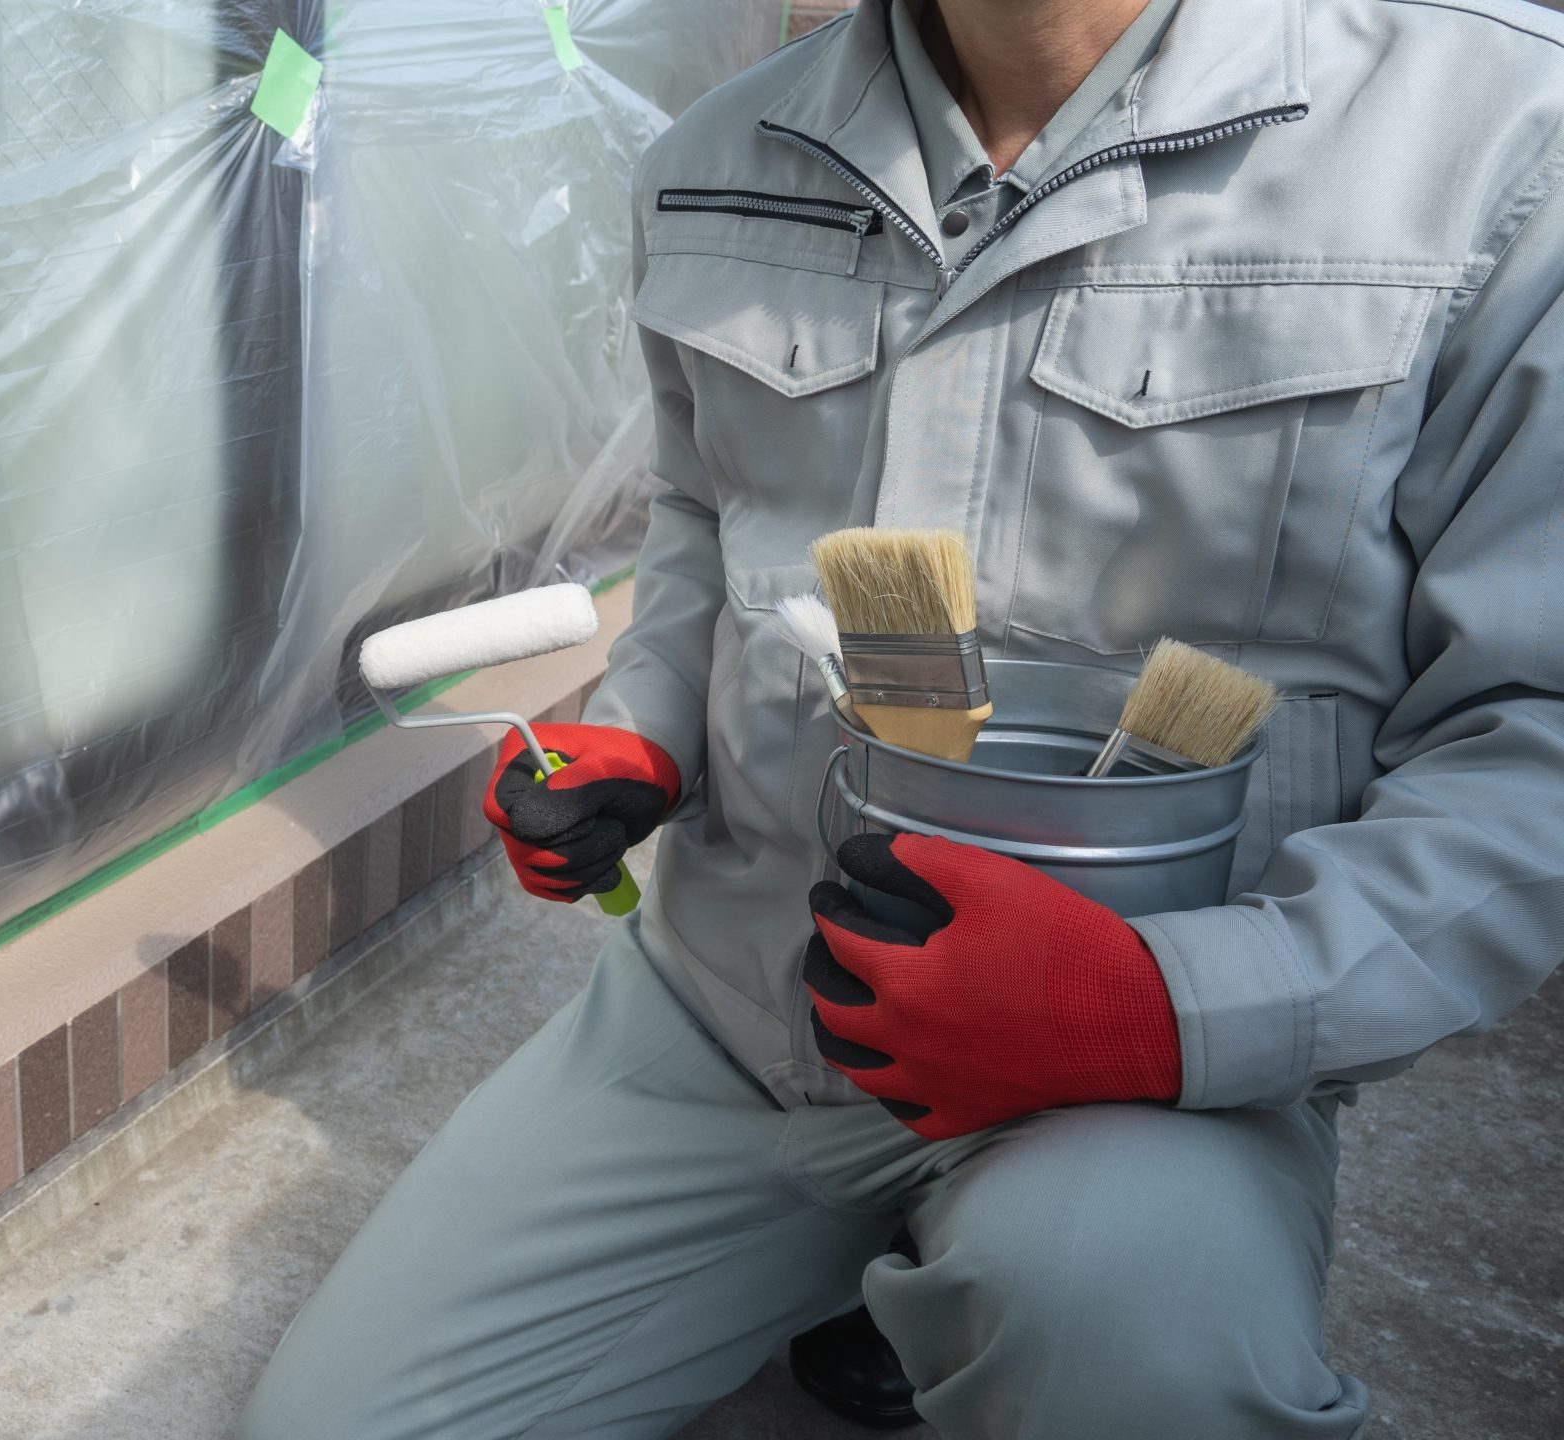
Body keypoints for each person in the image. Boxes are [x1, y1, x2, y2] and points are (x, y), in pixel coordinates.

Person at [239, 0, 1564, 1434]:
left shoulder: (1496, 148)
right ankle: (859, 1270)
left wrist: (1163, 1013)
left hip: (1133, 1079)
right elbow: (706, 513)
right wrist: (648, 732)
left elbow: (1533, 733)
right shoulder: (717, 154)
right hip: (737, 1018)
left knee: (1133, 1348)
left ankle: (986, 1262)